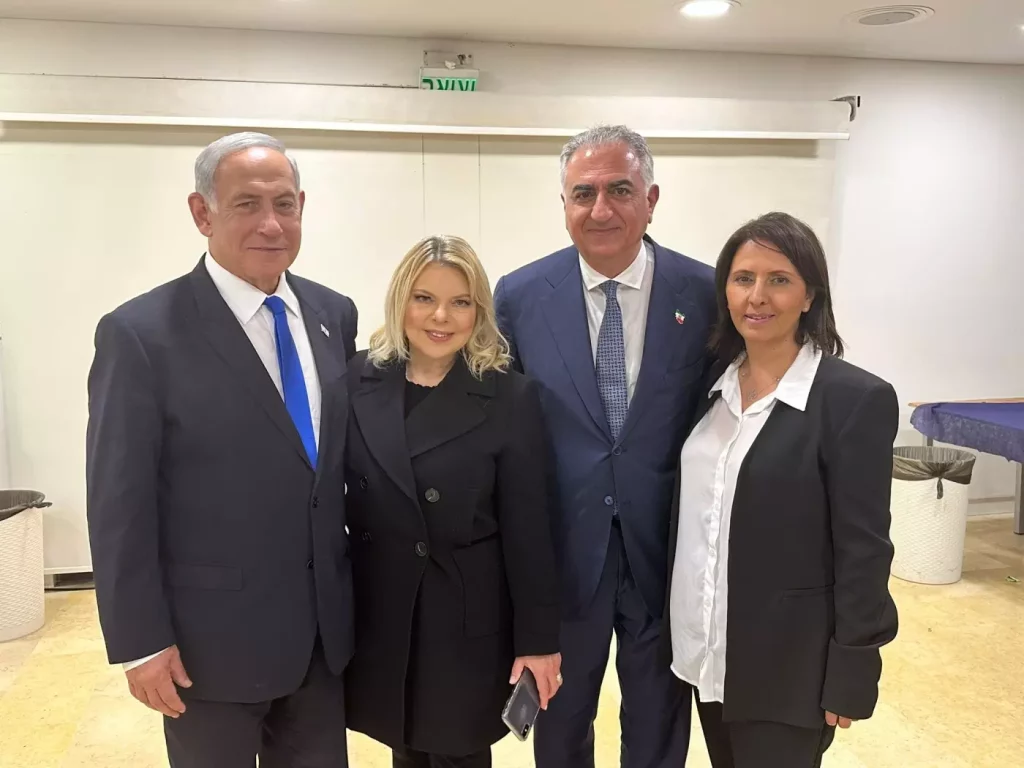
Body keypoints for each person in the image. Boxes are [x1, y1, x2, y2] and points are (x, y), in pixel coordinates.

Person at [85, 132, 358, 768]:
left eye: (285, 204)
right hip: (209, 648)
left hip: (323, 641)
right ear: (202, 212)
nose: (271, 223)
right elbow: (119, 502)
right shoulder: (141, 334)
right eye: (247, 204)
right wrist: (140, 641)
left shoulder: (331, 314)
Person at [493, 125, 717, 768]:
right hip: (564, 557)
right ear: (563, 204)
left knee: (658, 725)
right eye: (582, 193)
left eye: (619, 190)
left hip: (665, 554)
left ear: (651, 198)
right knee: (562, 725)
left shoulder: (705, 294)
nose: (601, 210)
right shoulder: (520, 295)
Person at [666, 212, 899, 767]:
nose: (757, 296)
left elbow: (865, 548)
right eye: (744, 278)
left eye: (779, 279)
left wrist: (854, 666)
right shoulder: (707, 389)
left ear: (809, 294)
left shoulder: (852, 400)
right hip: (706, 654)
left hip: (790, 665)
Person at [344, 235, 562, 768]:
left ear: (479, 312)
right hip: (384, 617)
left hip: (464, 627)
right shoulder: (358, 379)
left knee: (457, 753)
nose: (441, 316)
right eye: (424, 298)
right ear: (400, 302)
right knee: (406, 749)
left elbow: (530, 532)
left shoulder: (511, 397)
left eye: (460, 302)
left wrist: (538, 642)